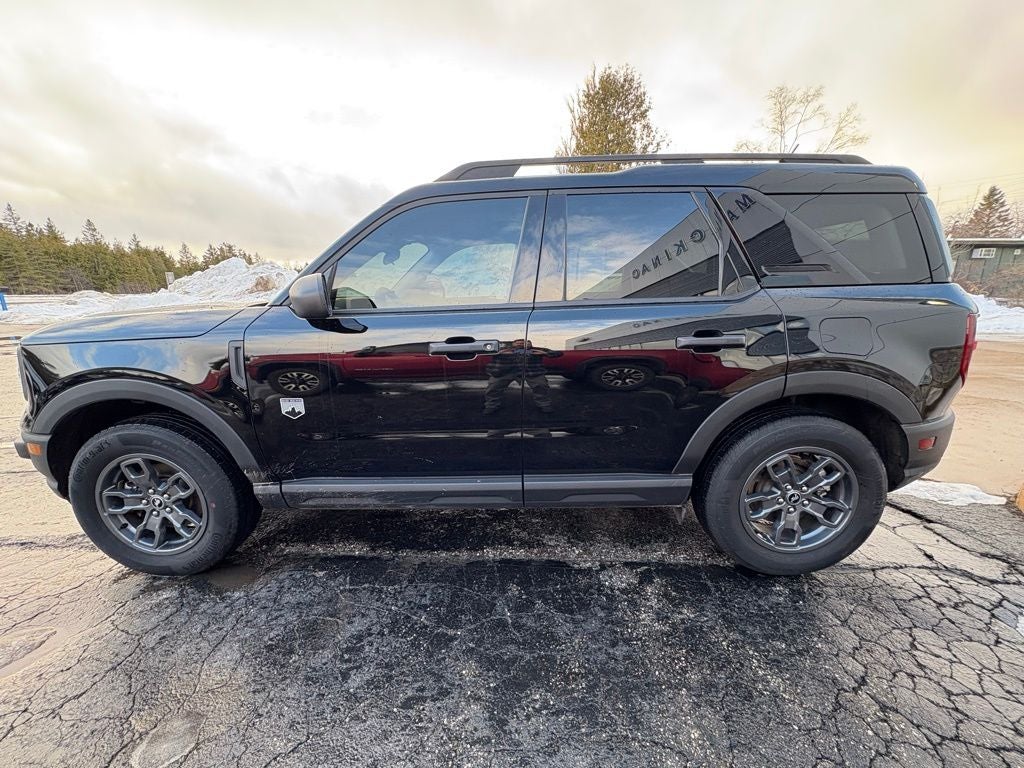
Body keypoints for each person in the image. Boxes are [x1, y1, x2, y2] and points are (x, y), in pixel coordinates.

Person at [483, 338, 561, 414]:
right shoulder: (501, 348)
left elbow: (558, 354)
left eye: (523, 342)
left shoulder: (537, 349)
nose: (520, 343)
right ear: (512, 343)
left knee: (541, 386)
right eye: (517, 342)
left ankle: (545, 405)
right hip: (504, 371)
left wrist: (543, 353)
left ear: (530, 344)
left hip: (531, 372)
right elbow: (484, 353)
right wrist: (500, 352)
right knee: (493, 387)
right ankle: (491, 406)